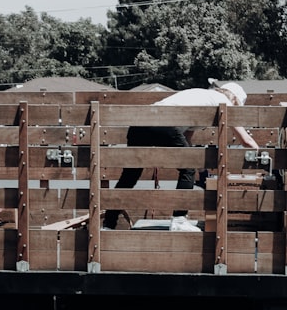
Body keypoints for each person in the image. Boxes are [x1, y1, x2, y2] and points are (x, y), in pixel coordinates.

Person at [103, 81, 261, 232]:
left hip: (139, 124)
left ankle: (108, 225)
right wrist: (263, 157)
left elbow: (187, 138)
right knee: (189, 168)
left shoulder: (204, 96)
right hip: (163, 123)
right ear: (235, 100)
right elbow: (246, 140)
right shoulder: (224, 102)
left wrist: (192, 158)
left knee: (130, 175)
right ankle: (179, 219)